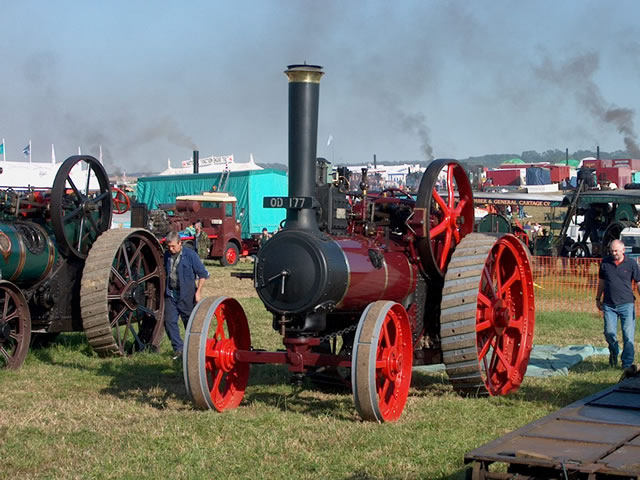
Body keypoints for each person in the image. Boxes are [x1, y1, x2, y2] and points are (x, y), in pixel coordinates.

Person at [164, 231, 210, 360]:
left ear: (180, 243)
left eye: (173, 246)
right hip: (171, 294)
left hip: (187, 295)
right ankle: (178, 349)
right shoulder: (166, 255)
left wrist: (198, 292)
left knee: (189, 324)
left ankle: (194, 351)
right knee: (169, 322)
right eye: (169, 247)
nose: (171, 249)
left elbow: (203, 274)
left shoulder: (191, 255)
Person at [596, 239, 640, 369]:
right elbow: (602, 282)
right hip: (609, 305)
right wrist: (598, 298)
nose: (613, 253)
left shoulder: (631, 264)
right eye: (611, 251)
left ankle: (626, 364)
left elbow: (638, 283)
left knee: (628, 336)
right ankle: (614, 351)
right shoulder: (605, 263)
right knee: (609, 332)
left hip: (627, 304)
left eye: (616, 250)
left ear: (623, 250)